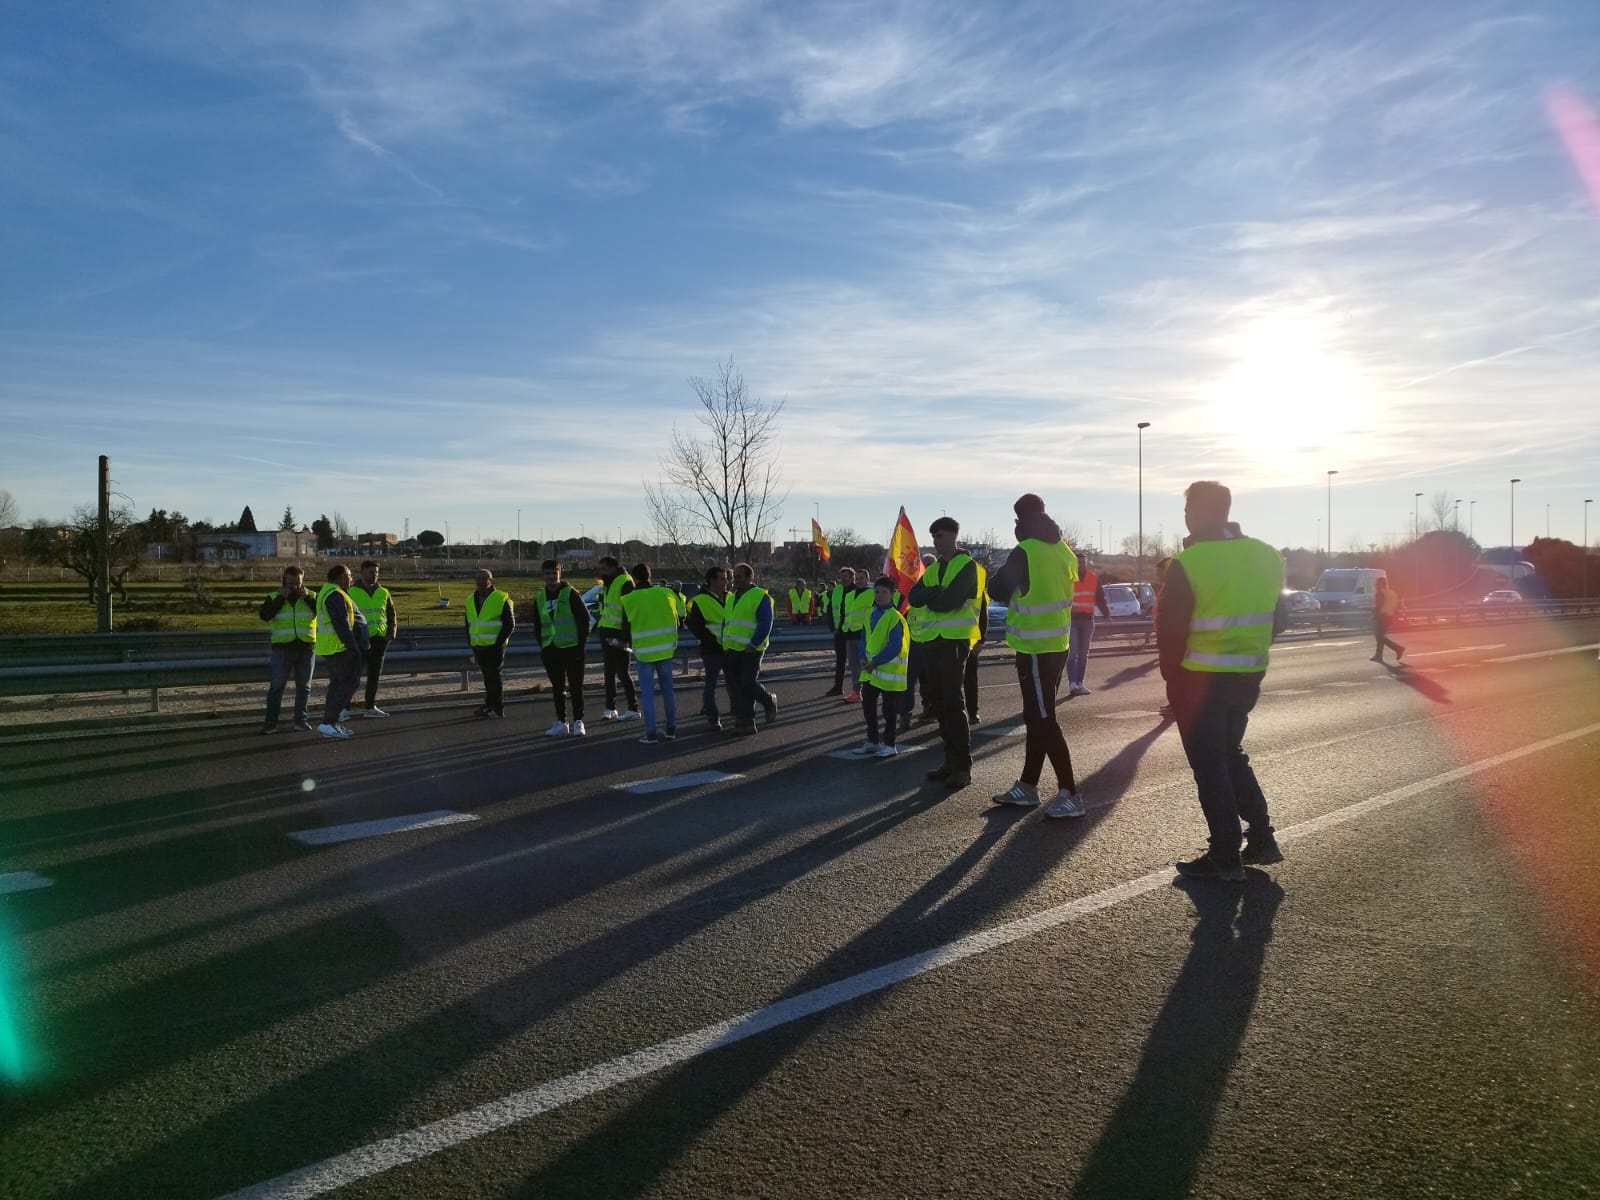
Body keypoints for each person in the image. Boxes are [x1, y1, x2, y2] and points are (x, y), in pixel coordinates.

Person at [1158, 480, 1287, 880]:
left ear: (1198, 512)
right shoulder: (1267, 556)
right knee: (1230, 755)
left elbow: (1171, 632)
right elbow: (1282, 618)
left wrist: (1173, 682)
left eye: (1188, 510)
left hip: (1199, 679)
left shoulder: (1191, 562)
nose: (1186, 517)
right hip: (1247, 675)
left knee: (1210, 765)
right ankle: (1262, 838)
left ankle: (1225, 855)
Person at [986, 494, 1085, 818]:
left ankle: (1070, 793)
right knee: (1036, 717)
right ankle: (1028, 786)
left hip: (1035, 647)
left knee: (1043, 719)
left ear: (1019, 521)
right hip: (1056, 643)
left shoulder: (1025, 551)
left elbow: (997, 589)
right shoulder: (1063, 549)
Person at [907, 516, 977, 790]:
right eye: (934, 536)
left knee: (952, 702)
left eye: (941, 536)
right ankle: (949, 761)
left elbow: (950, 603)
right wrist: (938, 591)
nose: (936, 541)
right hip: (932, 640)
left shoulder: (967, 565)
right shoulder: (934, 569)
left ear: (953, 536)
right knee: (938, 703)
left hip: (954, 641)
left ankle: (962, 766)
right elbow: (914, 597)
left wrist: (934, 596)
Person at [621, 563, 681, 743]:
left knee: (647, 693)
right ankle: (671, 729)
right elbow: (677, 620)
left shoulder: (629, 599)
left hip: (644, 651)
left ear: (635, 577)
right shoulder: (666, 593)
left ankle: (651, 733)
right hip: (665, 648)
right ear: (650, 575)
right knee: (668, 690)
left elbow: (625, 628)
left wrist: (623, 642)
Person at [531, 559, 591, 736]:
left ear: (560, 573)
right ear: (543, 575)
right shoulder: (540, 596)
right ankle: (561, 722)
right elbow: (538, 623)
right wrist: (542, 644)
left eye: (554, 573)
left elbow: (584, 620)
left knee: (575, 686)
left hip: (572, 648)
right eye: (548, 573)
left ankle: (578, 721)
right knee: (558, 687)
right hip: (550, 648)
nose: (551, 576)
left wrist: (581, 644)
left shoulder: (570, 593)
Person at [851, 575, 908, 758]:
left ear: (892, 595)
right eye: (877, 592)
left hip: (888, 672)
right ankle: (873, 741)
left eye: (884, 592)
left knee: (889, 711)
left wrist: (875, 662)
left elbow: (894, 646)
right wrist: (861, 656)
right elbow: (864, 638)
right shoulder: (870, 612)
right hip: (871, 671)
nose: (880, 595)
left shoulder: (895, 617)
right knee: (868, 707)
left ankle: (890, 744)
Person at [259, 565, 318, 733]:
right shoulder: (273, 597)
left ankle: (300, 721)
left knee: (304, 687)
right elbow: (265, 615)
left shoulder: (312, 596)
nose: (294, 587)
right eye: (290, 583)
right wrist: (280, 598)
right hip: (282, 649)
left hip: (306, 648)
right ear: (284, 580)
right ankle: (270, 724)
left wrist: (307, 598)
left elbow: (322, 613)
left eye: (298, 583)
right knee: (277, 687)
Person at [722, 562, 778, 736]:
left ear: (749, 577)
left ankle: (769, 701)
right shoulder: (732, 597)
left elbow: (765, 623)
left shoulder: (760, 596)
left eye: (738, 577)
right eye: (733, 578)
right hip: (732, 648)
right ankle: (746, 721)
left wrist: (753, 643)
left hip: (751, 649)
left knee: (747, 683)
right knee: (739, 687)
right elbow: (728, 622)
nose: (734, 581)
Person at [315, 563, 369, 739]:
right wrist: (353, 647)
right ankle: (328, 723)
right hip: (340, 648)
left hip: (336, 647)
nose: (351, 578)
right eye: (348, 575)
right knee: (347, 684)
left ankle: (331, 723)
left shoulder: (330, 592)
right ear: (339, 577)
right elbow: (342, 624)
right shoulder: (335, 595)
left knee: (339, 685)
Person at [348, 559, 398, 717]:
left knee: (374, 676)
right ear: (362, 572)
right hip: (359, 640)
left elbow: (391, 614)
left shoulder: (384, 592)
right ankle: (344, 707)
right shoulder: (351, 592)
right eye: (371, 572)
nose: (374, 575)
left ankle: (370, 706)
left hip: (379, 639)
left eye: (376, 572)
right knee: (353, 676)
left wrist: (391, 633)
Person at [687, 566, 732, 731]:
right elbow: (695, 626)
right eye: (722, 578)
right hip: (712, 649)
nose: (726, 581)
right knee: (711, 684)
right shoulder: (700, 600)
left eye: (726, 578)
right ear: (712, 580)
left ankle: (736, 711)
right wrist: (711, 640)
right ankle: (713, 718)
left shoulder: (731, 597)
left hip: (730, 647)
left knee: (733, 682)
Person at [594, 556, 640, 720]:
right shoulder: (609, 583)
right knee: (609, 672)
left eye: (604, 569)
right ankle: (610, 708)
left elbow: (629, 612)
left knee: (622, 672)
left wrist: (625, 638)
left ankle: (633, 708)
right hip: (606, 630)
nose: (601, 572)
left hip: (618, 633)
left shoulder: (624, 582)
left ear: (614, 568)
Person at [465, 568, 515, 719]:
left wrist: (498, 644)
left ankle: (498, 708)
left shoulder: (501, 598)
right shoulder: (470, 599)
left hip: (495, 646)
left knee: (494, 677)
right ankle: (489, 704)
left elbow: (510, 624)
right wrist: (471, 642)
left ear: (491, 581)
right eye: (478, 579)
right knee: (487, 677)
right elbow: (468, 623)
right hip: (479, 645)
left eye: (485, 578)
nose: (481, 582)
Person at [902, 552, 938, 731]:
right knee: (910, 681)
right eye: (926, 566)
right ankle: (906, 715)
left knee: (931, 681)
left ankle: (932, 710)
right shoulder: (912, 589)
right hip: (915, 642)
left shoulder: (936, 588)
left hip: (932, 641)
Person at [1066, 551, 1109, 697]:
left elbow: (1100, 597)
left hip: (1088, 620)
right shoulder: (1069, 577)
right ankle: (1072, 683)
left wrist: (1106, 614)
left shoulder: (1093, 578)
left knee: (1083, 654)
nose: (1081, 565)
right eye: (1079, 562)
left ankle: (1080, 682)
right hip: (1072, 620)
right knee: (1072, 654)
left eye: (1083, 562)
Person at [963, 552, 990, 724]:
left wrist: (981, 641)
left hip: (970, 643)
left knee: (970, 680)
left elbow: (983, 617)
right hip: (951, 640)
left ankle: (972, 713)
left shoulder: (978, 591)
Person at [842, 568, 874, 702]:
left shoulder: (873, 594)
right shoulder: (849, 595)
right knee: (854, 666)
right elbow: (846, 614)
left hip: (864, 635)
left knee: (866, 665)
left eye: (862, 578)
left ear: (868, 579)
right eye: (857, 578)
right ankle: (856, 692)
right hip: (850, 634)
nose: (859, 581)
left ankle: (869, 691)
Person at [823, 565, 856, 696]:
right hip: (839, 632)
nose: (843, 580)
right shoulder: (837, 590)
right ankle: (838, 687)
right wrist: (833, 628)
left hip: (853, 632)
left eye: (846, 578)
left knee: (856, 663)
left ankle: (858, 689)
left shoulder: (857, 591)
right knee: (840, 661)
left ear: (852, 578)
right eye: (841, 578)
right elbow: (831, 610)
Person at [1371, 577, 1406, 664]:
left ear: (1381, 584)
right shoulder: (1392, 593)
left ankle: (1398, 649)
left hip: (1382, 617)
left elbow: (1379, 605)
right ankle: (1378, 656)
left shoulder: (1379, 593)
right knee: (1380, 637)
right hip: (1390, 617)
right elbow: (1396, 605)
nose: (1375, 585)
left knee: (1379, 637)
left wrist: (1373, 615)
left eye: (1377, 583)